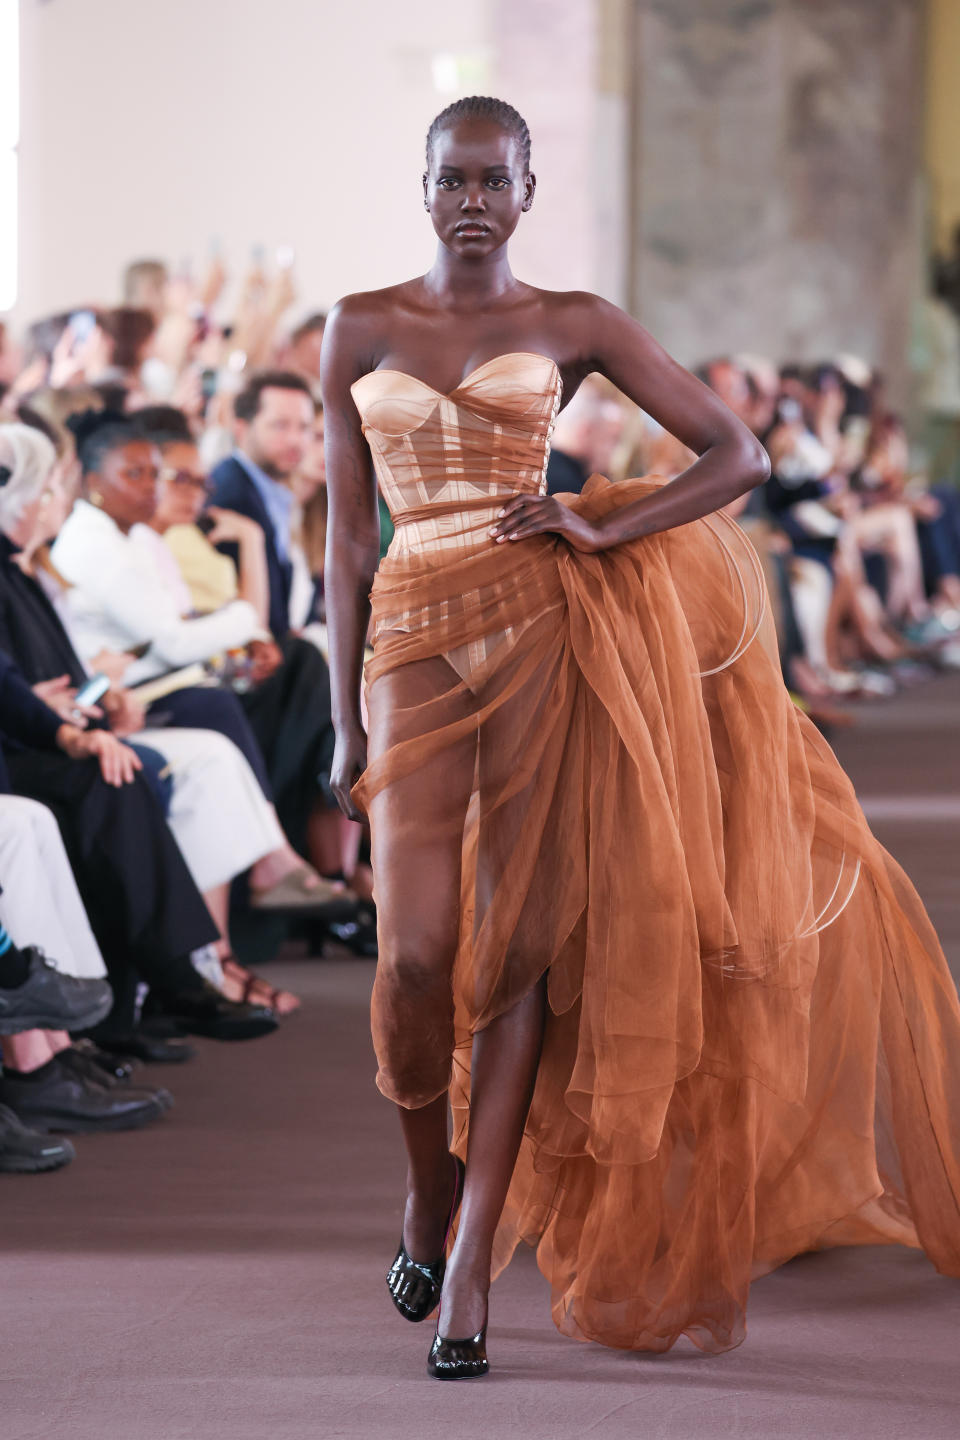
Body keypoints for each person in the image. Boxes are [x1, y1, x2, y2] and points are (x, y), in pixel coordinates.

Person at [321, 96, 960, 1379]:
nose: (473, 201)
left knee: (517, 951)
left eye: (496, 181)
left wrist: (607, 527)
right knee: (415, 958)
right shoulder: (362, 322)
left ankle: (470, 1261)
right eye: (453, 179)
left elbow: (741, 454)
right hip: (408, 642)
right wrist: (340, 714)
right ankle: (424, 1195)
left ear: (529, 190)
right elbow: (342, 534)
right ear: (422, 183)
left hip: (542, 636)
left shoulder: (575, 325)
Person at [208, 370, 316, 639]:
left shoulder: (270, 489)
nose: (295, 440)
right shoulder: (229, 493)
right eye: (280, 425)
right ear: (241, 428)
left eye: (303, 428)